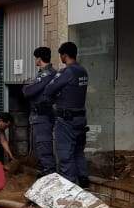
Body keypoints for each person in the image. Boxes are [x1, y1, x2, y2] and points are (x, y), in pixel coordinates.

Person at [43, 41, 89, 187]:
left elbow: (49, 90)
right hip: (80, 119)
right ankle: (84, 185)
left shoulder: (66, 72)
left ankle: (69, 192)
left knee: (65, 157)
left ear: (64, 55)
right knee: (78, 153)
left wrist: (57, 95)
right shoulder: (83, 71)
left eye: (61, 55)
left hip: (66, 120)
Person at [22, 47, 58, 177]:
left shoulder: (47, 74)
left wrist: (26, 85)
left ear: (38, 58)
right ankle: (47, 173)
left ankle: (50, 176)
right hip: (41, 116)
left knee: (44, 146)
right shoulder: (45, 73)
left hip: (43, 115)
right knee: (41, 147)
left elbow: (28, 91)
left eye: (35, 58)